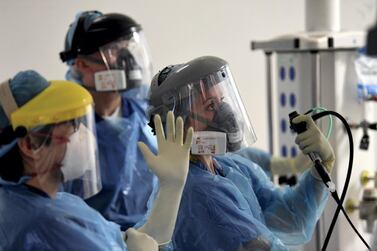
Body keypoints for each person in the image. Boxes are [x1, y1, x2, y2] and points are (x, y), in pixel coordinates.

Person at [147, 56, 336, 251]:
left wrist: (321, 166)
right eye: (210, 106)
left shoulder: (228, 167)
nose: (225, 112)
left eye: (221, 101)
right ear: (178, 121)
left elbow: (291, 219)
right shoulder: (199, 190)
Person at [0, 70, 193, 250]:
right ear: (30, 145)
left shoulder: (46, 203)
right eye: (71, 125)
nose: (83, 135)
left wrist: (171, 188)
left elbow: (122, 242)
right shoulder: (48, 224)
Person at [59, 11, 158, 230]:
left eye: (126, 48)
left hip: (153, 234)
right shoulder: (65, 128)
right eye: (112, 51)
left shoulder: (141, 111)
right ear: (82, 65)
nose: (126, 60)